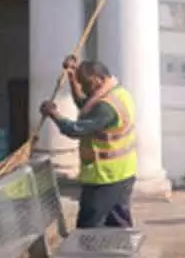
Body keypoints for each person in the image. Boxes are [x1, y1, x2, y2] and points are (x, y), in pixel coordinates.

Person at [40, 57, 138, 229]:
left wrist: (53, 113)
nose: (83, 89)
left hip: (104, 177)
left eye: (86, 85)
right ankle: (120, 254)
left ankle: (89, 255)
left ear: (98, 80)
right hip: (122, 173)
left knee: (89, 227)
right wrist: (72, 78)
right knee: (118, 224)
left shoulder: (106, 108)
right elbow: (85, 104)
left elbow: (76, 129)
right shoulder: (117, 93)